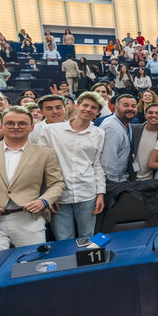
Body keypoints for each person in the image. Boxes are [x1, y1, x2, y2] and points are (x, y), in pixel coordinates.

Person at [0, 106, 65, 251]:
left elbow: (57, 183)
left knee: (33, 265)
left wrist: (44, 201)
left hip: (29, 220)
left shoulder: (45, 154)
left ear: (31, 127)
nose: (16, 127)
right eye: (10, 123)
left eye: (22, 123)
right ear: (2, 127)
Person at [38, 92, 106, 241]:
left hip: (87, 192)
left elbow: (96, 165)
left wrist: (100, 193)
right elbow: (43, 165)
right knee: (63, 239)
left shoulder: (99, 133)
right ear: (76, 106)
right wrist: (48, 193)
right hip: (59, 195)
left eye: (93, 107)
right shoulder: (51, 131)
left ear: (98, 112)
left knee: (87, 237)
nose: (88, 109)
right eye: (85, 105)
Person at [100, 94, 138, 183]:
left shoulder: (126, 123)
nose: (130, 108)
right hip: (112, 183)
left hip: (121, 178)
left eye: (133, 106)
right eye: (125, 105)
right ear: (115, 108)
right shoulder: (112, 128)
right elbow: (108, 162)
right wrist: (114, 185)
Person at [131, 103, 158, 181]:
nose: (154, 115)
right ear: (145, 115)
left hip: (152, 180)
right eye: (150, 112)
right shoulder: (133, 129)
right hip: (131, 178)